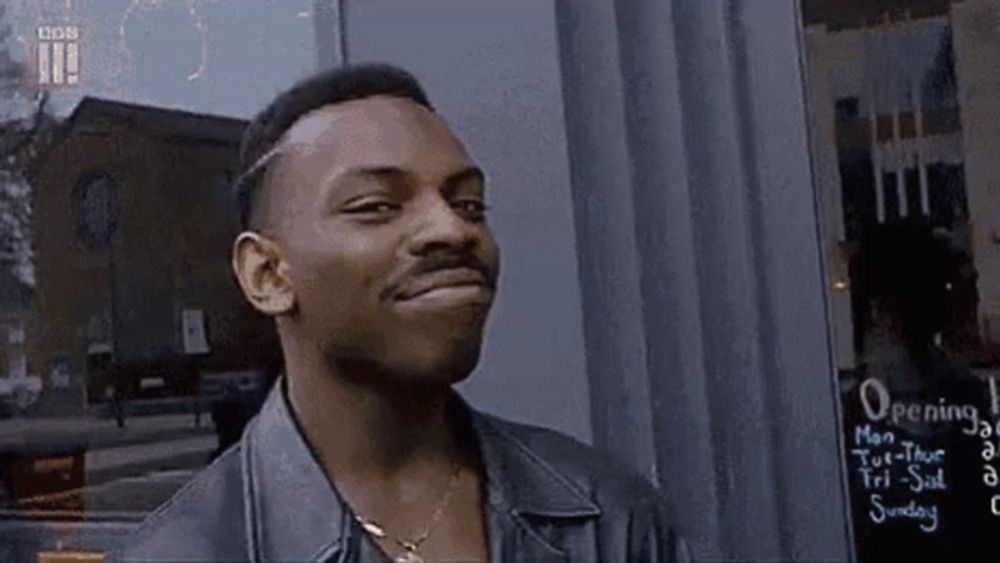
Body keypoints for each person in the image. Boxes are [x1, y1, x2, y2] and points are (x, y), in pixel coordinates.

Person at [120, 64, 688, 562]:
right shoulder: (183, 553)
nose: (453, 229)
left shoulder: (609, 518)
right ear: (268, 275)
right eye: (376, 206)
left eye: (469, 204)